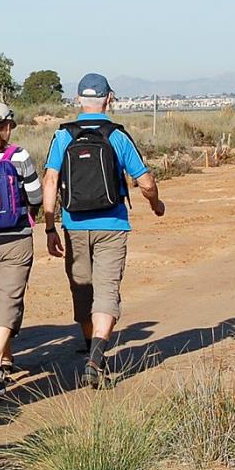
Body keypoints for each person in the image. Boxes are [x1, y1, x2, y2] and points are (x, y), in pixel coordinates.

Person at [40, 73, 166, 390]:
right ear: (108, 99)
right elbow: (146, 181)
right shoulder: (117, 136)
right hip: (113, 224)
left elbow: (50, 181)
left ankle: (92, 347)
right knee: (107, 290)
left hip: (74, 224)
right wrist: (156, 203)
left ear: (78, 100)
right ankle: (96, 357)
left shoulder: (63, 136)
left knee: (82, 287)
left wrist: (50, 225)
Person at [0, 102, 42, 381]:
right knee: (10, 297)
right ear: (5, 127)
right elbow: (36, 195)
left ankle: (3, 356)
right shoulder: (21, 155)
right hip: (17, 238)